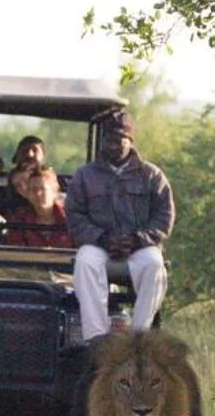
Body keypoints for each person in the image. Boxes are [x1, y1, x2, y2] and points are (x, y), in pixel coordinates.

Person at [66, 107, 171, 340]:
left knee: (155, 265)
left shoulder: (151, 175)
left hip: (139, 247)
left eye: (119, 139)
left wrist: (137, 240)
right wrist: (102, 238)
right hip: (100, 244)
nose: (113, 145)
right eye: (108, 139)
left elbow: (164, 218)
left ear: (130, 141)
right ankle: (96, 337)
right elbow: (75, 216)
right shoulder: (85, 175)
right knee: (85, 261)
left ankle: (139, 336)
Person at [5, 165, 71, 248]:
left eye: (42, 189)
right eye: (33, 189)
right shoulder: (19, 220)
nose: (38, 194)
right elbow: (15, 250)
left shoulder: (72, 218)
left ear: (54, 191)